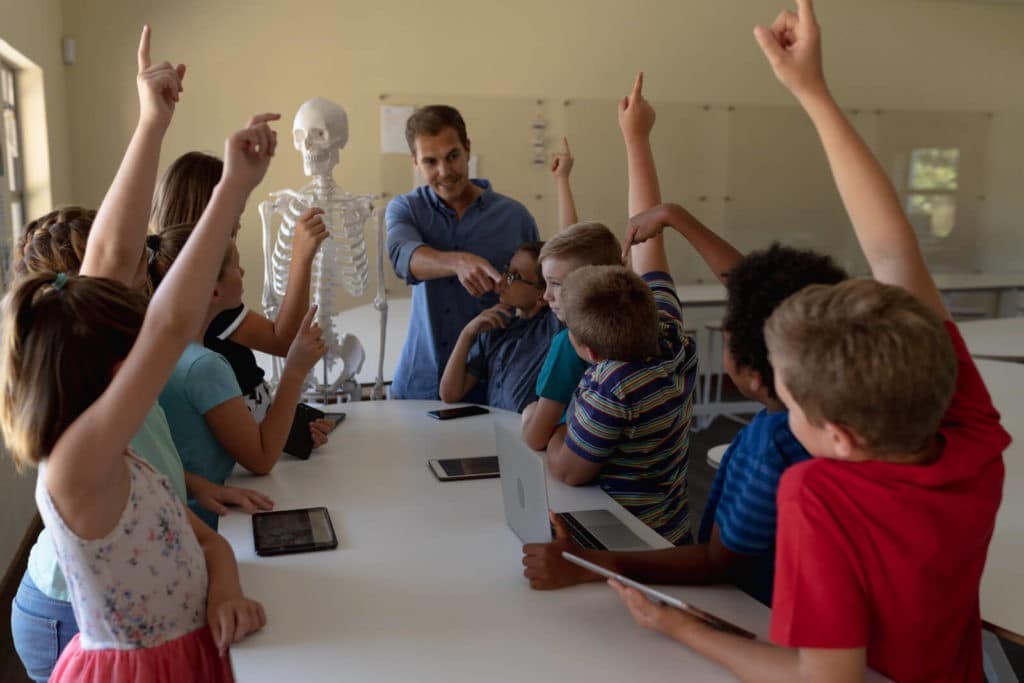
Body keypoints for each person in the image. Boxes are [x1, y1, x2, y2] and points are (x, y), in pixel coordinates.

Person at [610, 2, 1010, 680]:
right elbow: (892, 249)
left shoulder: (820, 494)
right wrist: (812, 92)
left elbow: (823, 678)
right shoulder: (969, 434)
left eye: (791, 403)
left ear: (841, 436)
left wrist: (676, 623)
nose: (783, 415)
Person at [7, 31, 268, 681]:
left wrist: (153, 121)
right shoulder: (75, 461)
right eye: (129, 353)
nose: (144, 365)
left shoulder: (116, 449)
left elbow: (112, 265)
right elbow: (168, 323)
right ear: (92, 366)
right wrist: (230, 190)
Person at [523, 213, 846, 604]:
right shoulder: (672, 332)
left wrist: (590, 564)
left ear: (753, 375)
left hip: (712, 589)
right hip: (672, 533)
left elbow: (718, 564)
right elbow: (659, 263)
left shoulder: (767, 447)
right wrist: (667, 210)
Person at [150, 223, 327, 529]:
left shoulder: (159, 351)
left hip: (180, 508)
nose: (242, 273)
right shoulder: (205, 366)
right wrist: (294, 370)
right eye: (235, 267)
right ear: (214, 290)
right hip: (211, 520)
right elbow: (261, 459)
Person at [521, 73, 662, 452]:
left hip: (578, 475)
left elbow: (536, 437)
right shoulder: (642, 323)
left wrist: (528, 414)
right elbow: (570, 261)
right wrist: (562, 182)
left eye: (556, 287)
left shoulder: (569, 345)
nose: (546, 295)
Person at [151, 151, 328, 421]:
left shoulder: (163, 280)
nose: (238, 222)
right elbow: (284, 341)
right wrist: (301, 258)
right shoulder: (200, 292)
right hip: (243, 427)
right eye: (233, 210)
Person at [385, 105, 539, 400]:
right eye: (430, 161)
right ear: (415, 162)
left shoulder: (515, 218)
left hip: (493, 388)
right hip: (418, 385)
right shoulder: (405, 209)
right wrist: (458, 262)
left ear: (467, 149)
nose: (444, 172)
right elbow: (403, 257)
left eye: (452, 156)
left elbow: (538, 299)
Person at [438, 138, 579, 412]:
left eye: (515, 276)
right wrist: (467, 334)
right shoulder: (496, 328)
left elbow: (570, 256)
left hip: (533, 443)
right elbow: (450, 394)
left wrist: (562, 179)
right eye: (506, 271)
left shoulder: (552, 327)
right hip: (499, 440)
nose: (502, 281)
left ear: (543, 293)